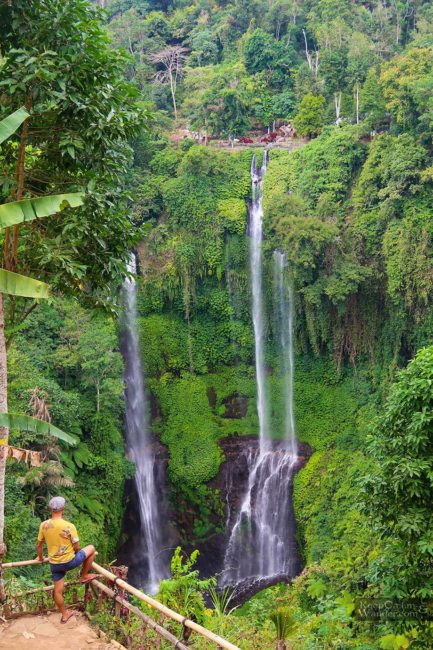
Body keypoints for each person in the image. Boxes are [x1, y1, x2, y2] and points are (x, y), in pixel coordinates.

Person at [37, 496, 97, 624]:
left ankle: (64, 615)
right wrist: (76, 553)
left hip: (54, 564)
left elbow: (39, 545)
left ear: (50, 509)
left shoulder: (44, 525)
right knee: (91, 549)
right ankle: (84, 576)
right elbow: (77, 546)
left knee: (57, 592)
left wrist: (41, 558)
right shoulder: (69, 526)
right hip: (70, 562)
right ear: (63, 509)